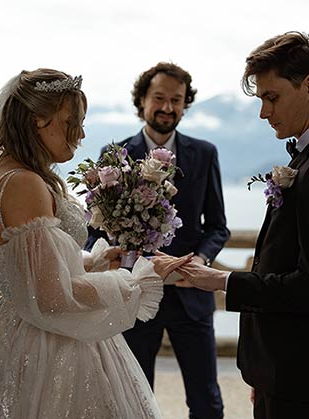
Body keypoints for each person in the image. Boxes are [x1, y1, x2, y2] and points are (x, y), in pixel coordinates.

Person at [0, 69, 191, 418]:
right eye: (73, 121)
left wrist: (96, 263)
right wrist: (139, 281)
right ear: (39, 120)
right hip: (47, 344)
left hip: (28, 330)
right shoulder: (23, 183)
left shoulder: (12, 172)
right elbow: (52, 296)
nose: (82, 134)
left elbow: (37, 265)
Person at [175, 32, 309, 419]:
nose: (264, 112)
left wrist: (219, 280)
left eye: (272, 97)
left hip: (303, 375)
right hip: (283, 371)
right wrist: (264, 373)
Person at [85, 62, 229, 419]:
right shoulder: (114, 155)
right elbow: (95, 227)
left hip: (191, 296)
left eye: (176, 100)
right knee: (132, 395)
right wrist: (102, 258)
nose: (168, 108)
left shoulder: (205, 153)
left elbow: (217, 227)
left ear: (185, 104)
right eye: (160, 98)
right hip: (133, 293)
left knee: (206, 399)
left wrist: (201, 262)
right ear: (142, 101)